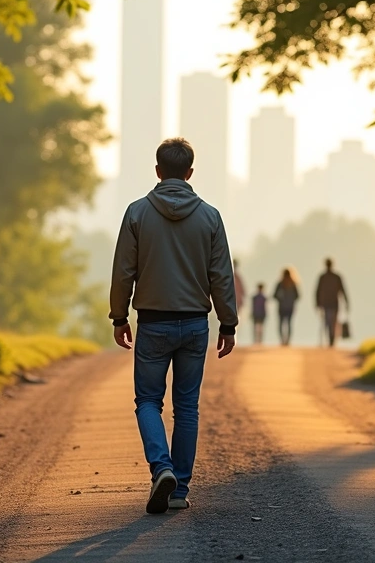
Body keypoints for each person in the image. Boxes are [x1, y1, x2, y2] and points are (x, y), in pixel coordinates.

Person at [109, 137, 238, 515]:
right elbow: (222, 276)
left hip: (152, 323)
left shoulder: (136, 213)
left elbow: (123, 272)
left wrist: (119, 316)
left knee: (148, 401)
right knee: (187, 407)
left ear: (158, 171)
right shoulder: (211, 216)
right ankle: (179, 488)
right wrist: (227, 323)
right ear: (190, 173)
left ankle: (160, 467)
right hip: (196, 324)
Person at [315, 258, 349, 347]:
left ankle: (331, 339)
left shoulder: (327, 277)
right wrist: (346, 302)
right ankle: (331, 339)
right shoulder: (331, 277)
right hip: (330, 303)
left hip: (330, 303)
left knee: (329, 322)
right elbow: (343, 290)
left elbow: (317, 291)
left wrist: (317, 303)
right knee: (330, 322)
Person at [273, 268, 300, 346]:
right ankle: (287, 340)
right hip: (290, 307)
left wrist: (280, 298)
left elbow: (274, 295)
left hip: (282, 307)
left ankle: (282, 339)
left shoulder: (280, 284)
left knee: (281, 324)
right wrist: (291, 300)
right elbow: (297, 296)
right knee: (289, 323)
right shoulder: (293, 284)